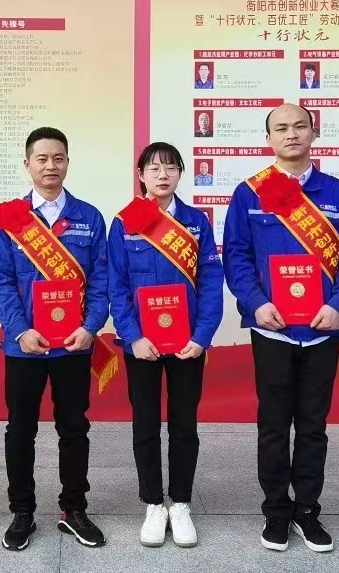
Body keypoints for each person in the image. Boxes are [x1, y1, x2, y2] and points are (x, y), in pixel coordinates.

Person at [222, 103, 339, 554]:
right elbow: (237, 256)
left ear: (313, 133)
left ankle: (307, 510)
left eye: (300, 126)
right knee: (272, 424)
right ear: (268, 139)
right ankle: (276, 511)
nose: (291, 134)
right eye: (281, 128)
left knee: (312, 425)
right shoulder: (249, 193)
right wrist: (256, 303)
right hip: (272, 328)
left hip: (323, 328)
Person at [0, 127, 111, 552]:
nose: (50, 166)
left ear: (67, 163)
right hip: (23, 346)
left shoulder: (89, 217)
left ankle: (73, 509)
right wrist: (21, 330)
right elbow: (1, 281)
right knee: (20, 429)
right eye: (41, 159)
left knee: (74, 428)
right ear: (27, 165)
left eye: (58, 158)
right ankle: (22, 512)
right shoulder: (10, 219)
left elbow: (101, 281)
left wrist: (90, 326)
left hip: (73, 345)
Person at [107, 142, 223, 548]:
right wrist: (132, 335)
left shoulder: (196, 222)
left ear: (180, 175)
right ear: (141, 175)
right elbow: (117, 284)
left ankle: (182, 503)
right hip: (141, 344)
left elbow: (211, 281)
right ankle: (154, 503)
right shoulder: (124, 222)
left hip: (187, 342)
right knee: (145, 422)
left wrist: (202, 336)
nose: (162, 175)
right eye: (154, 168)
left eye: (171, 168)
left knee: (184, 423)